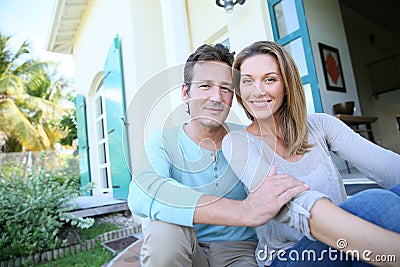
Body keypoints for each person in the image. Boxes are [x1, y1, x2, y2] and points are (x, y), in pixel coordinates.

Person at [127, 43, 309, 267]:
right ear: (186, 93)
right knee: (162, 230)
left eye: (225, 88)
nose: (216, 97)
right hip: (187, 246)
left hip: (241, 253)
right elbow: (143, 193)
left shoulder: (247, 139)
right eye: (205, 86)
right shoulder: (163, 141)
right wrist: (244, 211)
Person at [221, 40, 400, 267]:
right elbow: (291, 204)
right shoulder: (237, 143)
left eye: (270, 79)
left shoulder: (321, 124)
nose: (258, 91)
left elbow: (385, 165)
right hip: (290, 256)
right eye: (247, 81)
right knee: (375, 203)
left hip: (343, 241)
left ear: (287, 85)